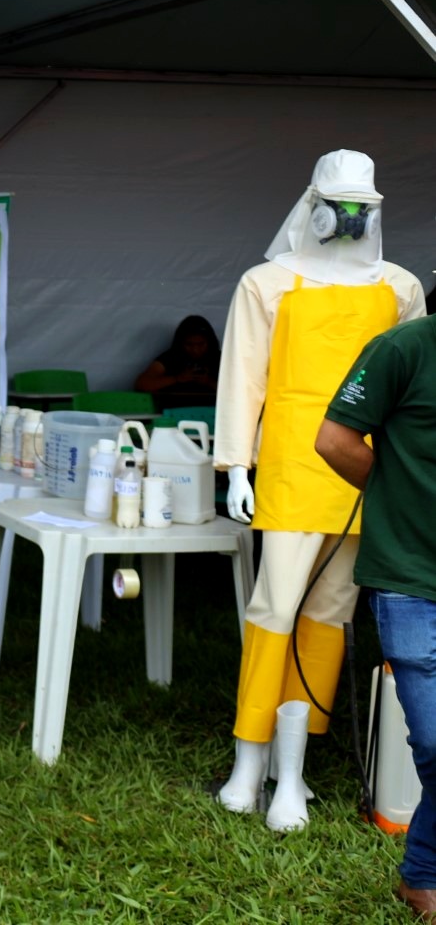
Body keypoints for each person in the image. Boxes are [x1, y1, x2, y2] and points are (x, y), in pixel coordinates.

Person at [214, 149, 424, 831]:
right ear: (316, 208)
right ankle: (248, 762)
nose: (353, 218)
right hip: (290, 469)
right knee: (273, 609)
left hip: (364, 475)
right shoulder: (267, 283)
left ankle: (292, 772)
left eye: (365, 207)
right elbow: (242, 378)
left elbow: (410, 387)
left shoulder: (401, 288)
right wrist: (236, 467)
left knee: (330, 617)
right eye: (343, 205)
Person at [317, 316, 436, 921]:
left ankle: (421, 877)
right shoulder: (403, 348)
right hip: (410, 573)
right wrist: (396, 497)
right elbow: (333, 439)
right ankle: (425, 874)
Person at [134, 315, 219, 409]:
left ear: (210, 341)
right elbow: (141, 384)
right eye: (189, 344)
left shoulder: (221, 358)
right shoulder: (171, 357)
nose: (195, 350)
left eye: (201, 344)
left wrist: (209, 382)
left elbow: (232, 390)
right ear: (181, 342)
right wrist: (177, 378)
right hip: (173, 411)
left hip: (214, 411)